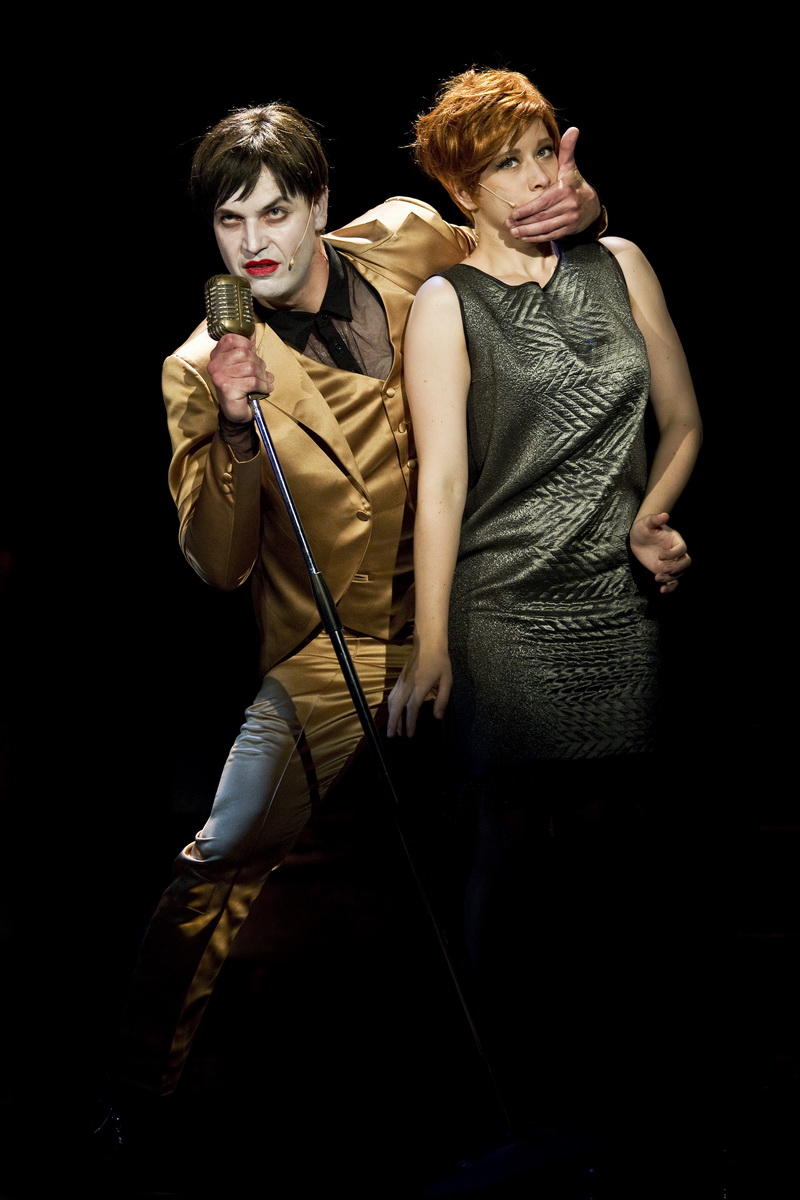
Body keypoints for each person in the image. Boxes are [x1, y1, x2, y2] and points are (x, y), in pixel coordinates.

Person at [97, 98, 603, 1156]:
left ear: (320, 203)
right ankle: (137, 1100)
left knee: (547, 826)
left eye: (275, 212)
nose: (254, 243)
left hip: (485, 589)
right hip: (346, 642)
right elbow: (218, 563)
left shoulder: (410, 238)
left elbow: (523, 252)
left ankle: (568, 1088)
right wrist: (234, 427)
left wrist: (579, 210)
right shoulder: (198, 365)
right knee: (224, 844)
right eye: (230, 221)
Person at [386, 68, 703, 1136]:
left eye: (538, 152)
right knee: (511, 844)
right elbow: (441, 483)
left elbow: (683, 420)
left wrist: (650, 515)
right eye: (502, 165)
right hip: (505, 604)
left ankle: (614, 1099)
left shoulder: (619, 262)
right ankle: (508, 1099)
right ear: (460, 191)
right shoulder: (447, 302)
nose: (531, 179)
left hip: (616, 601)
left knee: (618, 852)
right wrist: (432, 642)